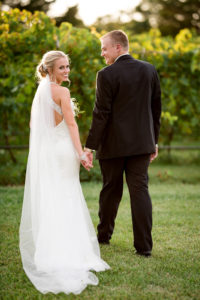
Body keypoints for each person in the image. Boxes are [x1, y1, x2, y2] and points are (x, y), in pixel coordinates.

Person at [19, 50, 110, 295]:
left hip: (47, 152)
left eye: (68, 66)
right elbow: (71, 123)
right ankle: (72, 252)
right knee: (67, 195)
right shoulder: (62, 92)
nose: (67, 71)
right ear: (49, 69)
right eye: (61, 67)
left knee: (52, 197)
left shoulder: (39, 94)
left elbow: (33, 126)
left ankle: (48, 253)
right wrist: (81, 152)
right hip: (62, 151)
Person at [85, 30, 161, 257]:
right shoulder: (149, 69)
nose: (102, 53)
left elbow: (101, 113)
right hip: (142, 144)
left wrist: (90, 146)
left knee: (110, 190)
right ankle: (144, 248)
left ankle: (103, 236)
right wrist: (153, 141)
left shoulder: (106, 74)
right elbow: (156, 110)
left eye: (104, 48)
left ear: (118, 47)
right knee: (140, 191)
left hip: (113, 145)